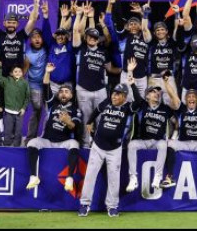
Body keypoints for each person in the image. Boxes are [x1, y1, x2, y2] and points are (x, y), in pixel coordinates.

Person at [79, 72, 143, 218]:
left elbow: (139, 102)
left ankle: (112, 206)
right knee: (89, 176)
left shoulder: (128, 108)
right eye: (114, 93)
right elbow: (96, 111)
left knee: (114, 179)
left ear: (124, 97)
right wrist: (89, 122)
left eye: (118, 94)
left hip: (115, 149)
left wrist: (132, 84)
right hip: (98, 146)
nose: (114, 96)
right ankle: (84, 204)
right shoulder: (106, 102)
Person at [25, 63, 83, 193]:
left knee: (74, 143)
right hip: (48, 140)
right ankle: (34, 176)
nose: (63, 94)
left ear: (72, 96)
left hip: (64, 142)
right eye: (61, 91)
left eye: (66, 92)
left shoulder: (75, 110)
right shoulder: (53, 105)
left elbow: (76, 128)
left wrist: (68, 122)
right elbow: (46, 87)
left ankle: (69, 178)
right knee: (32, 142)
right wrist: (47, 72)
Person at [126, 62, 178, 194]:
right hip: (142, 140)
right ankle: (133, 178)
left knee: (163, 144)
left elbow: (176, 122)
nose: (157, 94)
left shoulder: (165, 108)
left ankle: (158, 177)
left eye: (158, 92)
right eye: (153, 92)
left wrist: (174, 136)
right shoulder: (142, 105)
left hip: (156, 141)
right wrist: (131, 79)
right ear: (147, 95)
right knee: (131, 145)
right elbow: (136, 95)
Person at [73, 2, 118, 148]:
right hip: (83, 89)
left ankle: (99, 144)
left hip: (100, 90)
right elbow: (76, 31)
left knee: (101, 118)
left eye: (94, 37)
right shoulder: (81, 48)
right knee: (86, 118)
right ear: (86, 38)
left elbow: (110, 69)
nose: (92, 39)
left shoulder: (104, 51)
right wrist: (83, 15)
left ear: (98, 39)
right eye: (89, 37)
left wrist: (125, 71)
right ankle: (85, 144)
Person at [163, 70, 197, 190]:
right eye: (189, 96)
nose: (191, 98)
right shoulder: (181, 108)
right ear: (186, 99)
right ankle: (169, 177)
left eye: (194, 96)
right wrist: (166, 83)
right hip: (183, 142)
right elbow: (173, 95)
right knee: (170, 144)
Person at [0, 0, 39, 76]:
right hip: (1, 76)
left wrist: (36, 4)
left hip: (17, 76)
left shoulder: (22, 35)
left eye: (13, 23)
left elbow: (33, 19)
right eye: (9, 22)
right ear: (4, 23)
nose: (11, 25)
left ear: (17, 24)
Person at [24, 2, 50, 141]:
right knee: (37, 110)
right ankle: (30, 138)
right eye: (34, 37)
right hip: (34, 86)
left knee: (50, 111)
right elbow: (23, 71)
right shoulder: (27, 54)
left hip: (48, 85)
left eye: (39, 37)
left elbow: (47, 32)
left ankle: (47, 137)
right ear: (30, 40)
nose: (37, 39)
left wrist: (45, 16)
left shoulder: (47, 48)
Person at [0, 59, 29, 147]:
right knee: (8, 131)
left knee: (18, 131)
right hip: (8, 112)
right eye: (15, 71)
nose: (18, 73)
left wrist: (23, 108)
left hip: (19, 113)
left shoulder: (25, 83)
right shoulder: (7, 81)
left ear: (22, 73)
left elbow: (27, 97)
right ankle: (6, 146)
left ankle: (16, 147)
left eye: (20, 71)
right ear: (11, 73)